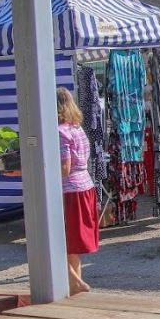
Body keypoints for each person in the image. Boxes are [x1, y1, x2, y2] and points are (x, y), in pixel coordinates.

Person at [57, 87, 98, 295]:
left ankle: (77, 283)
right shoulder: (77, 128)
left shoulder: (60, 132)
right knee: (72, 243)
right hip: (85, 185)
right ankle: (75, 284)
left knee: (55, 240)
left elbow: (64, 168)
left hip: (69, 190)